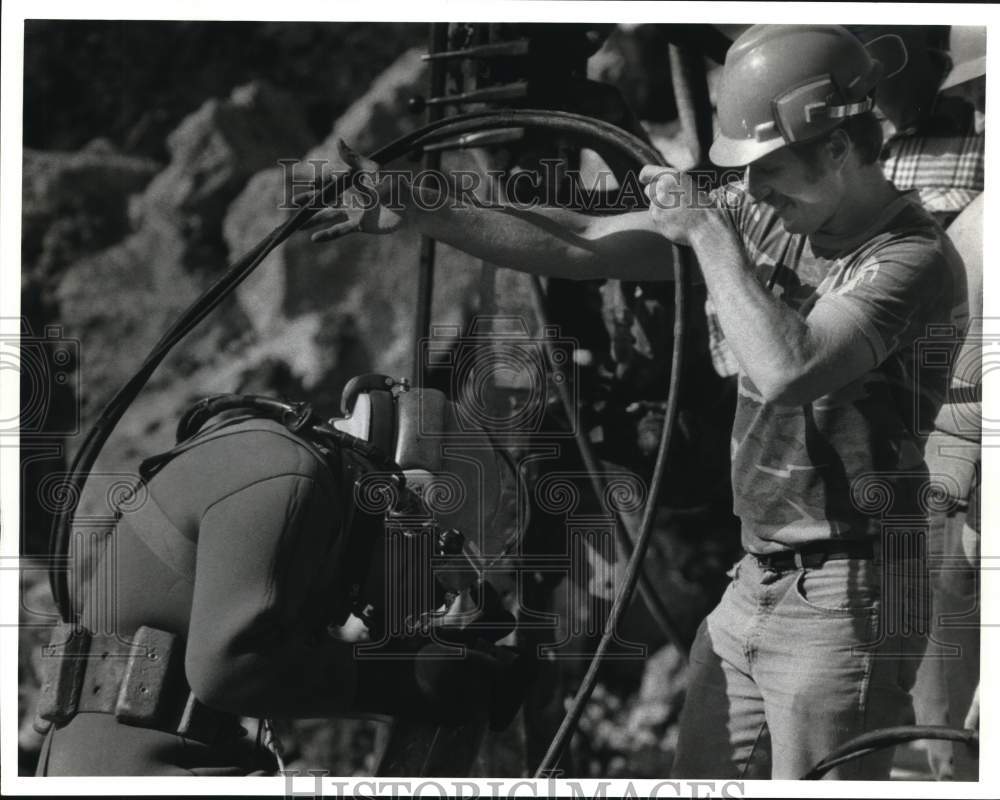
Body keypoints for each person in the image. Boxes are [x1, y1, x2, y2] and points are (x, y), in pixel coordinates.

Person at [307, 24, 968, 779]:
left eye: (770, 168)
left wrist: (706, 234)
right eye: (744, 174)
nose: (752, 189)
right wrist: (430, 209)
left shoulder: (909, 257)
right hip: (760, 574)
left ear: (841, 150)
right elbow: (586, 237)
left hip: (856, 587)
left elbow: (792, 367)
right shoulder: (766, 215)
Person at [34, 388, 525, 776]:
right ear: (403, 504)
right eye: (431, 581)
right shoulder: (288, 472)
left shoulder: (288, 473)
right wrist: (409, 680)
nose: (416, 605)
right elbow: (230, 667)